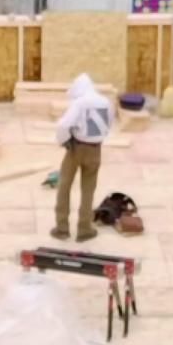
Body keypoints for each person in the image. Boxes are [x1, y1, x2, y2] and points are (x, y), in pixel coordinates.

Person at [51, 73, 113, 242]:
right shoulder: (106, 102)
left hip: (76, 148)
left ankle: (62, 228)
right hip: (95, 150)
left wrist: (64, 141)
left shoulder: (79, 103)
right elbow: (109, 124)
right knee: (88, 190)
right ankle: (84, 229)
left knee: (64, 185)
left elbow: (63, 125)